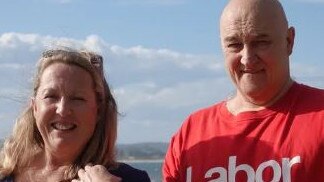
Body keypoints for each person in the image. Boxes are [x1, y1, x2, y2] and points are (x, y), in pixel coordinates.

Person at [163, 0, 324, 181]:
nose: (247, 59)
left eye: (261, 42)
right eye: (234, 45)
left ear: (289, 41)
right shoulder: (191, 134)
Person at [0, 49, 151, 182]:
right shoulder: (5, 171)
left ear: (98, 111)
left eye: (78, 99)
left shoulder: (128, 178)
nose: (63, 110)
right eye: (51, 96)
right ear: (35, 107)